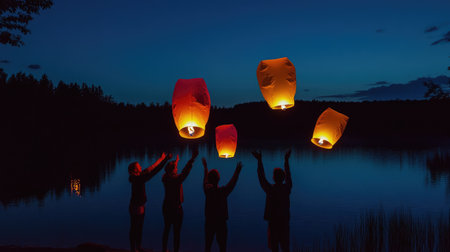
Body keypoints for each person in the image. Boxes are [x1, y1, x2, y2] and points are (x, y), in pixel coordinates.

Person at [128, 152, 172, 252]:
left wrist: (161, 159)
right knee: (135, 228)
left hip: (140, 206)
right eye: (139, 166)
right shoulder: (138, 178)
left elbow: (150, 168)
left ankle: (137, 248)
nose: (141, 167)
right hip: (136, 207)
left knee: (138, 228)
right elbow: (154, 171)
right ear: (135, 169)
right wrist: (166, 160)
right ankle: (133, 249)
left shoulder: (138, 176)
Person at [252, 150, 292, 252]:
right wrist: (286, 161)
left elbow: (261, 177)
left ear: (274, 178)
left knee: (274, 248)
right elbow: (289, 176)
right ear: (282, 178)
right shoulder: (286, 188)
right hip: (284, 222)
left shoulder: (271, 190)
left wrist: (259, 161)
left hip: (273, 223)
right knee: (285, 247)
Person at [161, 149, 199, 252]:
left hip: (166, 208)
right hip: (176, 210)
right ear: (173, 170)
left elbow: (171, 170)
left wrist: (176, 162)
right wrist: (192, 159)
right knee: (176, 232)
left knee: (167, 229)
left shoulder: (165, 177)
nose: (177, 169)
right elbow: (185, 172)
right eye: (176, 168)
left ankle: (164, 249)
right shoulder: (176, 180)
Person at [202, 157, 243, 252]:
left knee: (208, 246)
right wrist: (237, 172)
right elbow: (232, 184)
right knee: (222, 247)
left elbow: (205, 181)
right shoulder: (222, 192)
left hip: (209, 222)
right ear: (218, 178)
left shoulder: (207, 191)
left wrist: (205, 168)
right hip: (221, 223)